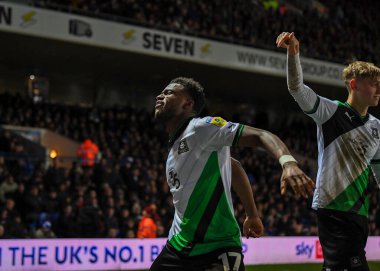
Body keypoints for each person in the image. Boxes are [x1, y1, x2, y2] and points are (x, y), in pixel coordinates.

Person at [150, 77, 314, 271]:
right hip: (178, 246)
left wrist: (288, 163)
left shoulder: (200, 127)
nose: (161, 95)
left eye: (169, 92)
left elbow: (261, 136)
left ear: (188, 103)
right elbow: (233, 167)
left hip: (218, 248)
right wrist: (252, 214)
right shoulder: (175, 146)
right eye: (162, 92)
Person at [276, 32, 380, 271]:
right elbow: (296, 89)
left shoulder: (376, 127)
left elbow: (379, 171)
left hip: (360, 212)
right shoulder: (329, 112)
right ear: (354, 84)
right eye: (373, 83)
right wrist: (293, 53)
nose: (378, 89)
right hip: (333, 208)